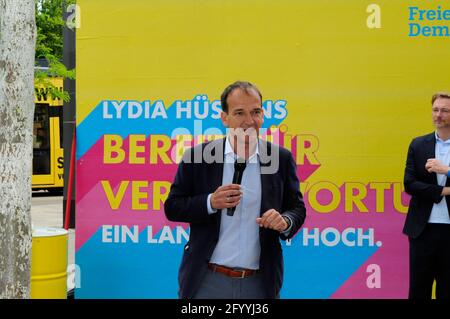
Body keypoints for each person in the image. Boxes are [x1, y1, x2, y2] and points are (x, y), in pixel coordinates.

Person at [164, 81, 306, 299]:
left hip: (259, 283)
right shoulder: (197, 157)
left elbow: (296, 208)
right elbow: (173, 207)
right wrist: (211, 202)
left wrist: (285, 221)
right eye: (239, 113)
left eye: (255, 112)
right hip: (206, 281)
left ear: (263, 114)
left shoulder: (281, 159)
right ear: (225, 118)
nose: (249, 121)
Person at [404, 92, 450, 299]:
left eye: (445, 111)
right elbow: (410, 184)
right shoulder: (418, 144)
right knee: (418, 289)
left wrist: (446, 170)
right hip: (422, 229)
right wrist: (444, 191)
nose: (438, 115)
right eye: (435, 110)